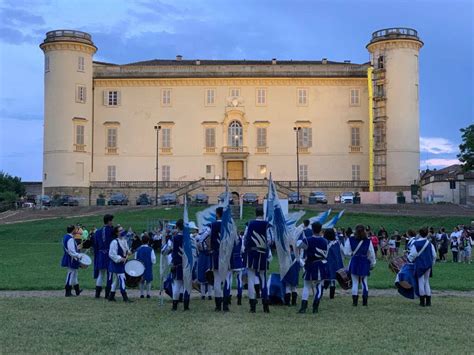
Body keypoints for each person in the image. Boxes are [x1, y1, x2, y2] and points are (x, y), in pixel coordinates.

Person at [197, 207, 227, 311]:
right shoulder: (229, 225)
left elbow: (201, 239)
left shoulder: (212, 226)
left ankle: (218, 305)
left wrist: (206, 248)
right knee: (227, 279)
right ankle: (226, 304)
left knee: (217, 280)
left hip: (215, 254)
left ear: (217, 214)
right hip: (227, 255)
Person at [243, 207, 271, 313]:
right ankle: (265, 304)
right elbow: (270, 240)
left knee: (250, 279)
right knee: (263, 278)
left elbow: (245, 238)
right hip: (262, 253)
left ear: (255, 213)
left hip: (251, 253)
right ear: (262, 214)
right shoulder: (267, 224)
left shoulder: (249, 224)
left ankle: (252, 305)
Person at [296, 222, 328, 314]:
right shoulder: (325, 241)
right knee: (319, 286)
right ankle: (315, 306)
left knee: (306, 286)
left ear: (312, 229)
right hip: (322, 264)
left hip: (311, 264)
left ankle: (303, 307)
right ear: (320, 229)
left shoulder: (308, 240)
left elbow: (299, 245)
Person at [343, 224, 376, 307]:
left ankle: (355, 302)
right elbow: (371, 254)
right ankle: (365, 302)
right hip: (364, 261)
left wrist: (351, 254)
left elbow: (346, 252)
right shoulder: (368, 241)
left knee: (354, 282)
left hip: (354, 261)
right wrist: (372, 263)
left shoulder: (350, 239)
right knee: (364, 282)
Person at [408, 227, 436, 307]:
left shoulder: (416, 243)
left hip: (419, 264)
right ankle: (428, 301)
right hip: (428, 265)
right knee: (426, 282)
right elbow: (434, 255)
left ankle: (422, 302)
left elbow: (412, 255)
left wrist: (409, 260)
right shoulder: (429, 244)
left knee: (420, 281)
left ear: (419, 234)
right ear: (427, 234)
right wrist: (432, 263)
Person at [168, 219, 190, 311]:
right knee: (186, 285)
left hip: (178, 263)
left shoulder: (175, 238)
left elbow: (172, 250)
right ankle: (186, 306)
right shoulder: (189, 237)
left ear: (177, 227)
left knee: (177, 285)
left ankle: (175, 306)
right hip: (186, 264)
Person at [108, 227, 133, 303]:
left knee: (116, 281)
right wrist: (120, 258)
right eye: (120, 230)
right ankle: (125, 297)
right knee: (122, 278)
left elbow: (127, 250)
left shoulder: (124, 240)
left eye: (123, 229)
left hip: (122, 263)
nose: (122, 231)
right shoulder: (114, 242)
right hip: (117, 264)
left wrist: (128, 252)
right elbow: (111, 254)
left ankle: (111, 297)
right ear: (116, 233)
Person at [93, 214, 114, 299]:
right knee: (110, 274)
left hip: (100, 254)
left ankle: (97, 294)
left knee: (101, 274)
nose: (112, 222)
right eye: (111, 221)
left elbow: (95, 246)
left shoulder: (97, 232)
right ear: (109, 221)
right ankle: (107, 294)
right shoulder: (112, 231)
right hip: (109, 255)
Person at [61, 225, 83, 297]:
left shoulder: (66, 237)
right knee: (70, 273)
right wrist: (79, 255)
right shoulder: (70, 239)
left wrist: (77, 247)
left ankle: (77, 290)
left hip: (70, 257)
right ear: (73, 230)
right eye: (75, 229)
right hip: (71, 258)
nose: (76, 230)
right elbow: (72, 251)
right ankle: (68, 292)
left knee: (74, 273)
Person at [225, 231, 244, 305]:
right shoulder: (240, 239)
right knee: (239, 279)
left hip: (230, 260)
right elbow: (242, 250)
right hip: (238, 260)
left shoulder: (228, 238)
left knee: (229, 279)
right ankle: (239, 298)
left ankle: (228, 297)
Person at [135, 234, 156, 299]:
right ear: (148, 241)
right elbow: (153, 259)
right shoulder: (150, 249)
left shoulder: (138, 249)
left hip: (140, 267)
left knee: (141, 281)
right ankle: (148, 294)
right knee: (148, 281)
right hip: (148, 266)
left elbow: (136, 259)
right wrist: (152, 262)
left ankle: (141, 294)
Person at [324, 228, 343, 299]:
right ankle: (331, 296)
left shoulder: (324, 242)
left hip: (326, 262)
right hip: (335, 263)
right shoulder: (337, 242)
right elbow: (342, 251)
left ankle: (321, 291)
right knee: (333, 279)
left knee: (325, 277)